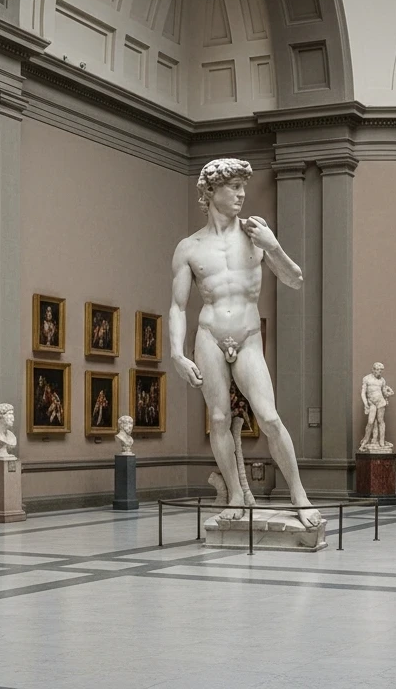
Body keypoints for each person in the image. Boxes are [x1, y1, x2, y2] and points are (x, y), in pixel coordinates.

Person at [169, 158, 321, 528]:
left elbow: (295, 279)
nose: (241, 194)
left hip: (249, 337)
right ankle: (236, 495)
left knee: (268, 417)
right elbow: (177, 305)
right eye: (233, 187)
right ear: (210, 192)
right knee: (219, 419)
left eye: (242, 186)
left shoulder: (257, 234)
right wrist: (175, 353)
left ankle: (299, 495)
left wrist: (274, 247)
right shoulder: (189, 247)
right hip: (208, 336)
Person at [359, 362, 395, 451]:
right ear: (373, 369)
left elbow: (384, 392)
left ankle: (381, 441)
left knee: (380, 421)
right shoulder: (366, 379)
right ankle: (366, 440)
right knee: (370, 422)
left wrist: (389, 392)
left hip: (380, 402)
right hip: (371, 402)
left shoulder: (382, 380)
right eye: (378, 370)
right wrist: (365, 404)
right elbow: (363, 393)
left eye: (381, 370)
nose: (379, 372)